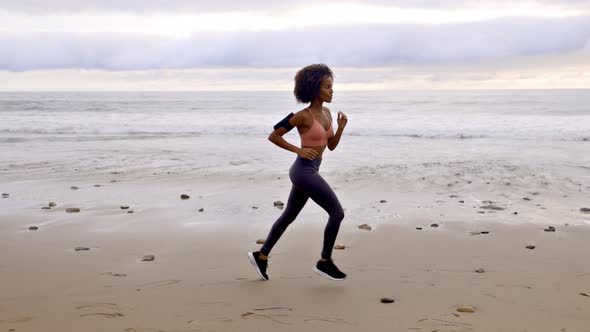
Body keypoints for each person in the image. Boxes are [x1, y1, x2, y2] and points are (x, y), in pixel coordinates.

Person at [248, 64, 348, 281]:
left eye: (332, 87)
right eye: (328, 87)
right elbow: (274, 136)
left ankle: (261, 255)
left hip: (311, 169)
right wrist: (299, 150)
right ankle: (325, 262)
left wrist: (340, 128)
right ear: (315, 89)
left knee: (288, 216)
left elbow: (330, 147)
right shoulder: (302, 116)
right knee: (337, 213)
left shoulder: (328, 113)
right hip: (303, 172)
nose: (332, 91)